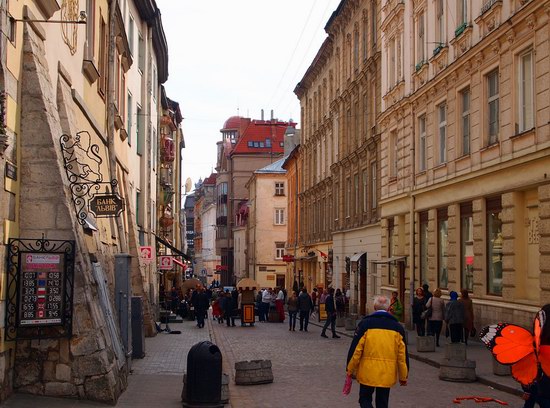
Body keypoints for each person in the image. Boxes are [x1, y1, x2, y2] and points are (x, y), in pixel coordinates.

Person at [346, 295, 409, 408]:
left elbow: (356, 350)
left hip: (368, 371)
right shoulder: (397, 328)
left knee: (364, 399)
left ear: (374, 307)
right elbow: (402, 355)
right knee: (382, 403)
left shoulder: (365, 324)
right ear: (388, 308)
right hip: (386, 373)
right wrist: (403, 376)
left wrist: (350, 369)